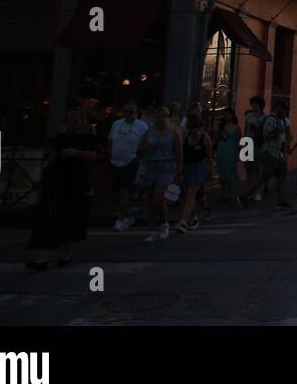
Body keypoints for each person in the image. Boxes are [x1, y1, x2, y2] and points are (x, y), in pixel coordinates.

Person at [25, 102, 102, 271]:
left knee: (72, 214)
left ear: (80, 113)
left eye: (75, 111)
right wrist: (48, 162)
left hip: (76, 176)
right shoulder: (61, 129)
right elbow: (55, 150)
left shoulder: (89, 130)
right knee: (48, 213)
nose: (72, 115)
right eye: (69, 112)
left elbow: (94, 155)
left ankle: (67, 253)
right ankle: (42, 257)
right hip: (57, 174)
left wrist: (76, 152)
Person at [136, 106, 183, 243]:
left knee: (158, 197)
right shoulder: (148, 132)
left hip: (166, 166)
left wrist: (179, 171)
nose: (161, 119)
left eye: (163, 116)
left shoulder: (174, 133)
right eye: (158, 117)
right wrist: (147, 146)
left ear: (168, 118)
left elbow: (179, 154)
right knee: (150, 200)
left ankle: (164, 224)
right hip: (151, 166)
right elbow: (138, 151)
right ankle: (152, 229)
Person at [109, 102, 148, 231]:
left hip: (131, 161)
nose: (128, 114)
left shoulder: (142, 127)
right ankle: (125, 214)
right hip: (115, 161)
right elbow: (110, 140)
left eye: (131, 112)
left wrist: (139, 159)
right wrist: (110, 156)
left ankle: (121, 219)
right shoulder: (116, 124)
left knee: (124, 190)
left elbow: (145, 144)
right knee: (118, 192)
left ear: (137, 113)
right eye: (125, 111)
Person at [175, 114, 215, 232]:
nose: (193, 132)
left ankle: (183, 221)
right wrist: (179, 170)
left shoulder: (204, 138)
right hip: (187, 167)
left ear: (200, 128)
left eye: (195, 130)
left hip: (199, 168)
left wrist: (211, 172)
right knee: (190, 195)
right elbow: (180, 154)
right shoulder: (185, 136)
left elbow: (209, 157)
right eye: (191, 129)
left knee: (190, 193)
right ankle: (194, 217)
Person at [259, 102, 293, 210]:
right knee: (263, 176)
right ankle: (246, 195)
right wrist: (278, 132)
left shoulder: (283, 120)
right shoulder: (271, 119)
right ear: (278, 109)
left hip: (278, 152)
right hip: (269, 152)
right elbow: (266, 136)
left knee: (282, 176)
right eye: (284, 110)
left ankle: (281, 200)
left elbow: (289, 135)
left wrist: (286, 147)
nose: (285, 112)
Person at [214, 112, 243, 206]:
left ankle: (227, 193)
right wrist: (221, 134)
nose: (227, 116)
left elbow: (239, 140)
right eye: (226, 114)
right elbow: (217, 138)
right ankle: (223, 192)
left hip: (231, 149)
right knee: (222, 171)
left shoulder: (236, 127)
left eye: (229, 114)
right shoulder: (221, 126)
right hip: (222, 148)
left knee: (229, 172)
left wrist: (238, 153)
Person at [244, 96, 268, 203]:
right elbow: (245, 130)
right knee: (249, 169)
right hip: (248, 143)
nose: (253, 105)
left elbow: (266, 132)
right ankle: (249, 191)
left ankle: (257, 192)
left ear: (260, 105)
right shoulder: (248, 116)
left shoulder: (265, 117)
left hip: (259, 144)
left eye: (255, 103)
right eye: (252, 103)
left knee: (258, 169)